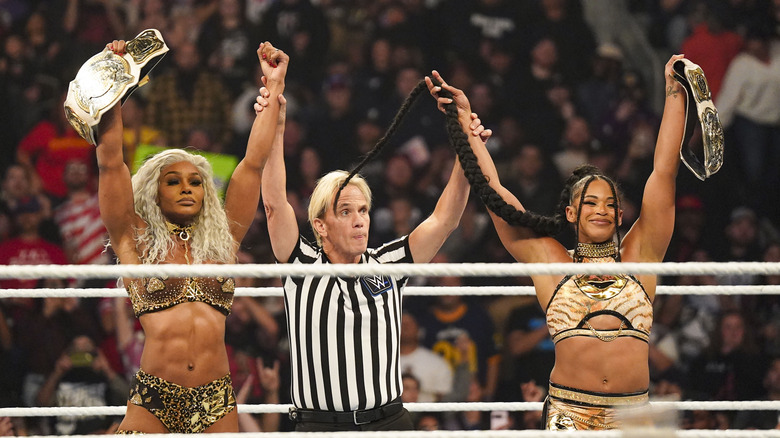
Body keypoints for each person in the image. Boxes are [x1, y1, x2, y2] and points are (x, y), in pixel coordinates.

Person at [425, 52, 689, 430]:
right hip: (570, 416)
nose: (601, 210)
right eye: (590, 202)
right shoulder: (551, 262)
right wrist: (466, 125)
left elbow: (663, 172)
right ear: (570, 213)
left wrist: (675, 94)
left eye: (610, 203)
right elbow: (498, 197)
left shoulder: (641, 254)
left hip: (634, 417)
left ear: (620, 215)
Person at [256, 66, 490, 431]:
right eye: (345, 212)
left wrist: (465, 146)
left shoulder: (388, 262)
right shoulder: (302, 267)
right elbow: (274, 204)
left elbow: (445, 220)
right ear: (320, 225)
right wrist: (276, 126)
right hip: (322, 427)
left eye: (363, 210)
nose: (359, 220)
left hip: (388, 423)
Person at [92, 39, 287, 434]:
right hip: (155, 395)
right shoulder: (137, 242)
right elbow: (111, 165)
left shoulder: (221, 242)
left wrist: (274, 85)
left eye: (196, 182)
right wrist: (114, 83)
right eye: (174, 180)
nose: (186, 187)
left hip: (215, 398)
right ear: (153, 191)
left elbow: (251, 165)